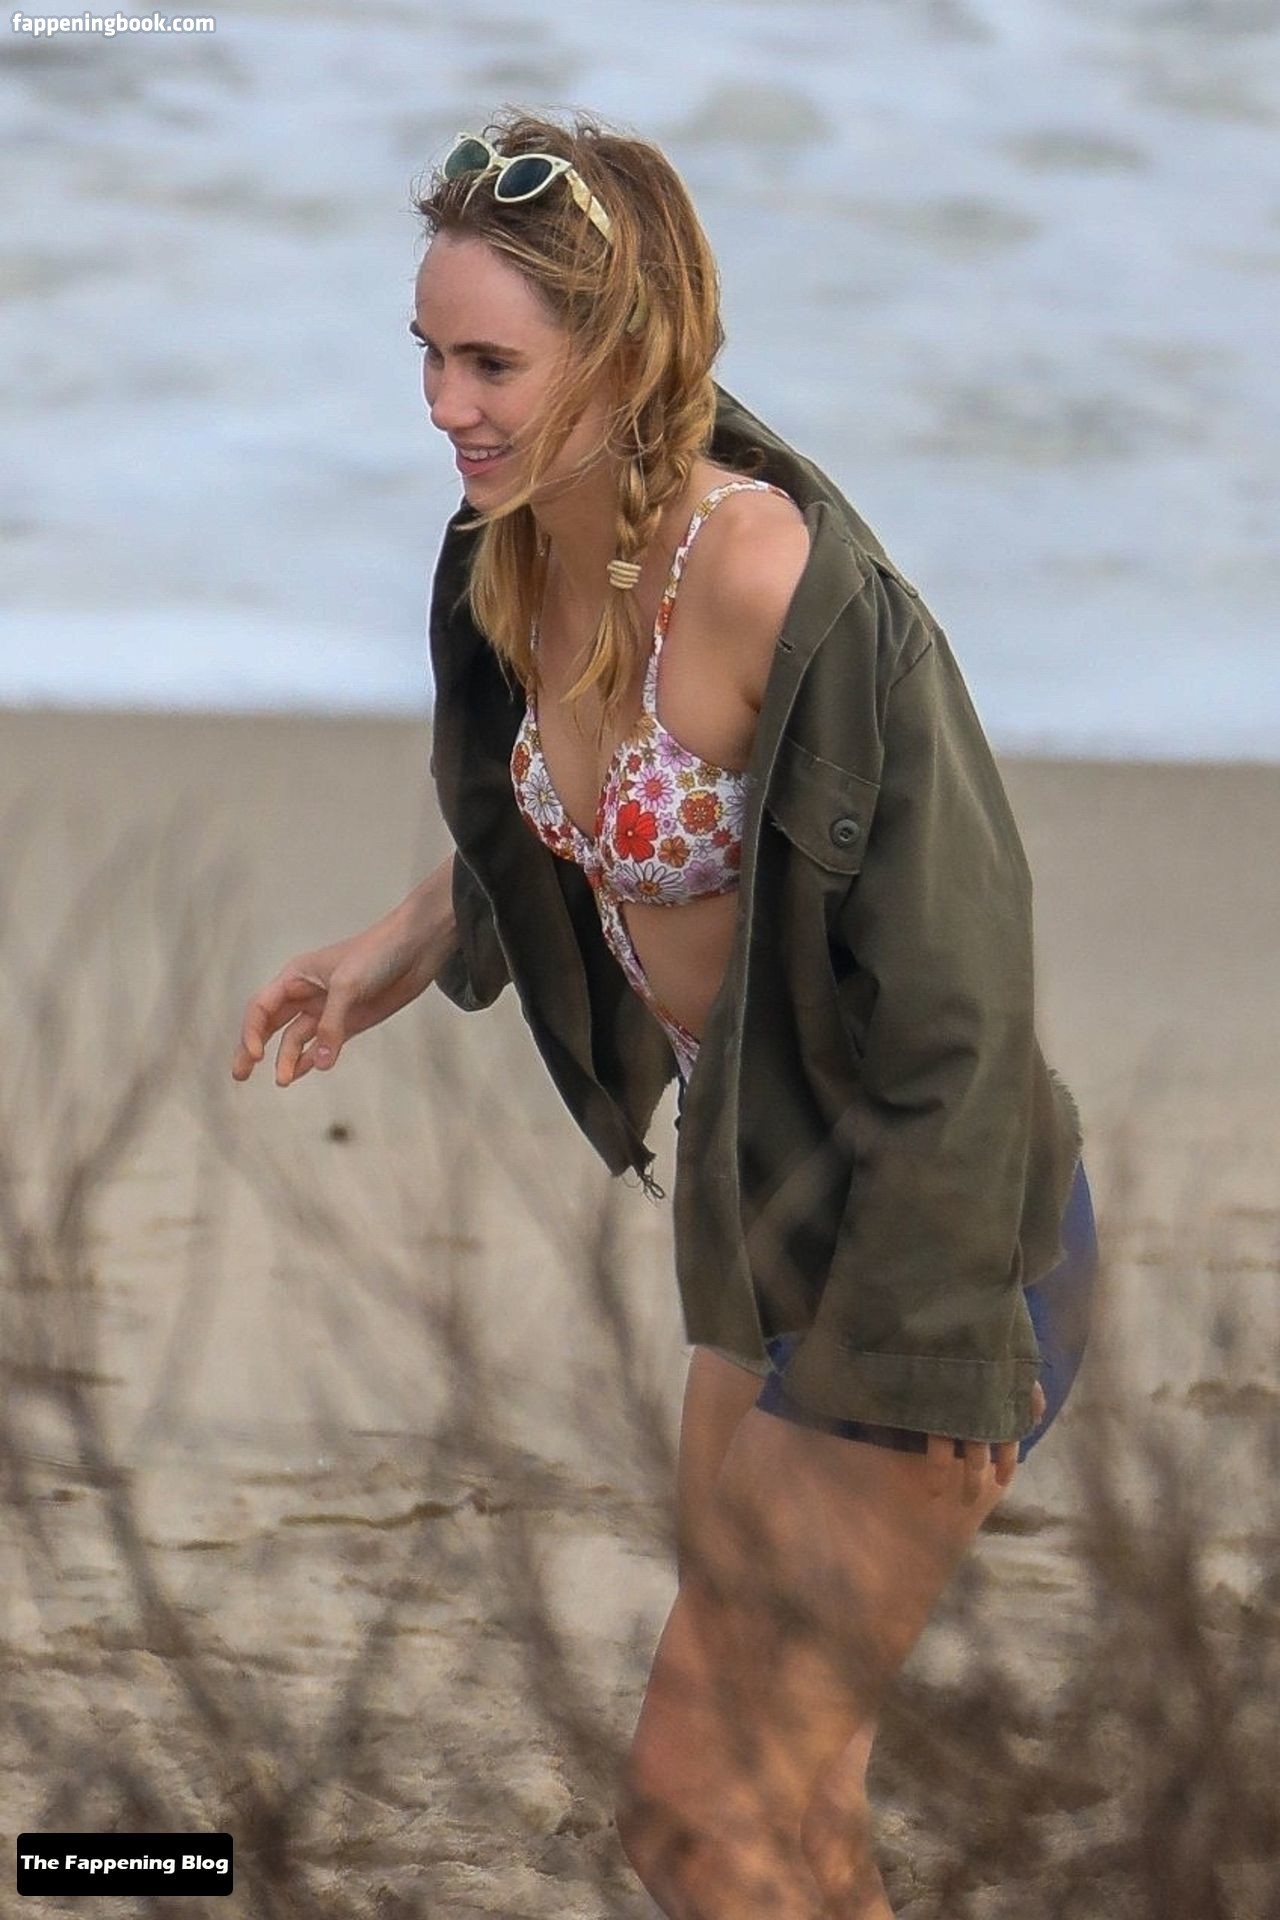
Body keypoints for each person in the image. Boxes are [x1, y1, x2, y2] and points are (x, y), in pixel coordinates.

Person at [232, 109, 1099, 1920]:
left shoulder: (776, 582)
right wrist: (400, 947)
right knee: (791, 1816)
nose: (445, 406)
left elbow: (964, 988)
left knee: (696, 1818)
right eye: (428, 355)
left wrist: (931, 1345)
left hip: (929, 1244)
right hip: (756, 1215)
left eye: (491, 363)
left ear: (622, 350)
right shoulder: (519, 549)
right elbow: (576, 816)